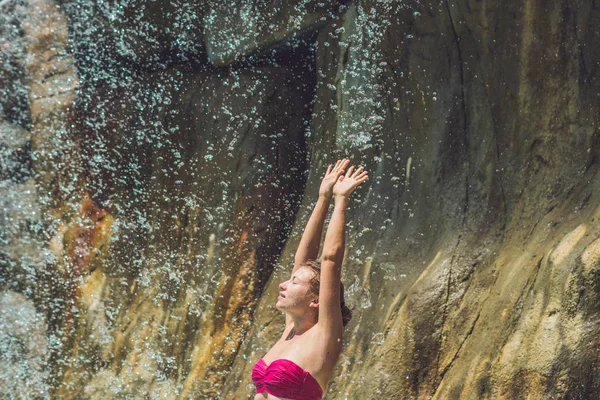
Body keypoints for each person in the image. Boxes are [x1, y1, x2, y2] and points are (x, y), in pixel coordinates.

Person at [252, 159, 369, 400]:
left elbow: (330, 261)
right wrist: (323, 198)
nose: (284, 284)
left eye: (295, 283)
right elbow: (303, 258)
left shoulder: (325, 334)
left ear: (316, 300)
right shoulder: (290, 331)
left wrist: (340, 200)